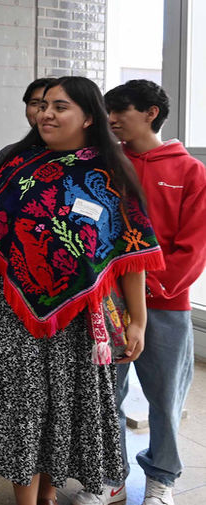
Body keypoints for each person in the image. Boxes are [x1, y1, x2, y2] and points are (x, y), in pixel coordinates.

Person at [0, 76, 165, 505]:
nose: (46, 114)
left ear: (88, 117)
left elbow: (131, 252)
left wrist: (139, 320)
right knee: (24, 411)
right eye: (43, 106)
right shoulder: (16, 168)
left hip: (80, 320)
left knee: (64, 412)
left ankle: (50, 494)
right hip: (17, 317)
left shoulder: (111, 175)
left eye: (60, 107)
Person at [70, 80, 206, 505]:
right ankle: (108, 478)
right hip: (105, 303)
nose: (109, 120)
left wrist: (148, 294)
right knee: (105, 392)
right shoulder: (105, 164)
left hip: (165, 305)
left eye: (119, 111)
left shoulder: (190, 171)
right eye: (107, 112)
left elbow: (194, 246)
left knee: (164, 398)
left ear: (150, 112)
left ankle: (161, 478)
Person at [0, 77, 58, 172]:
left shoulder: (83, 155)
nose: (43, 112)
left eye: (58, 107)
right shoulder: (9, 155)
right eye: (35, 103)